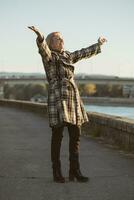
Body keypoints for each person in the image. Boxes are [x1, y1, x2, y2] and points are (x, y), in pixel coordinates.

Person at [28, 26, 107, 183]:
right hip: (58, 99)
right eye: (57, 38)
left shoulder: (69, 56)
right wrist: (41, 38)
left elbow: (84, 52)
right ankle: (57, 172)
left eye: (62, 38)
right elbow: (43, 50)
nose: (62, 40)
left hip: (73, 99)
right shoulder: (50, 57)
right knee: (57, 137)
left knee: (75, 137)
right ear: (51, 43)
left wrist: (98, 45)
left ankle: (75, 171)